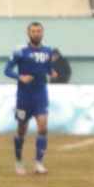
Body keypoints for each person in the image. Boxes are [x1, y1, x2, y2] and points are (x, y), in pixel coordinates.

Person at [4, 22, 61, 175]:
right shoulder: (20, 50)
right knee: (22, 130)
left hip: (41, 94)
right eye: (33, 31)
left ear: (42, 33)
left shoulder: (48, 50)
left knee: (43, 128)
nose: (36, 34)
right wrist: (20, 76)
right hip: (24, 96)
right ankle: (19, 161)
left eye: (39, 31)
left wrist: (52, 72)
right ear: (28, 33)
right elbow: (7, 70)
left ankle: (38, 164)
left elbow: (47, 67)